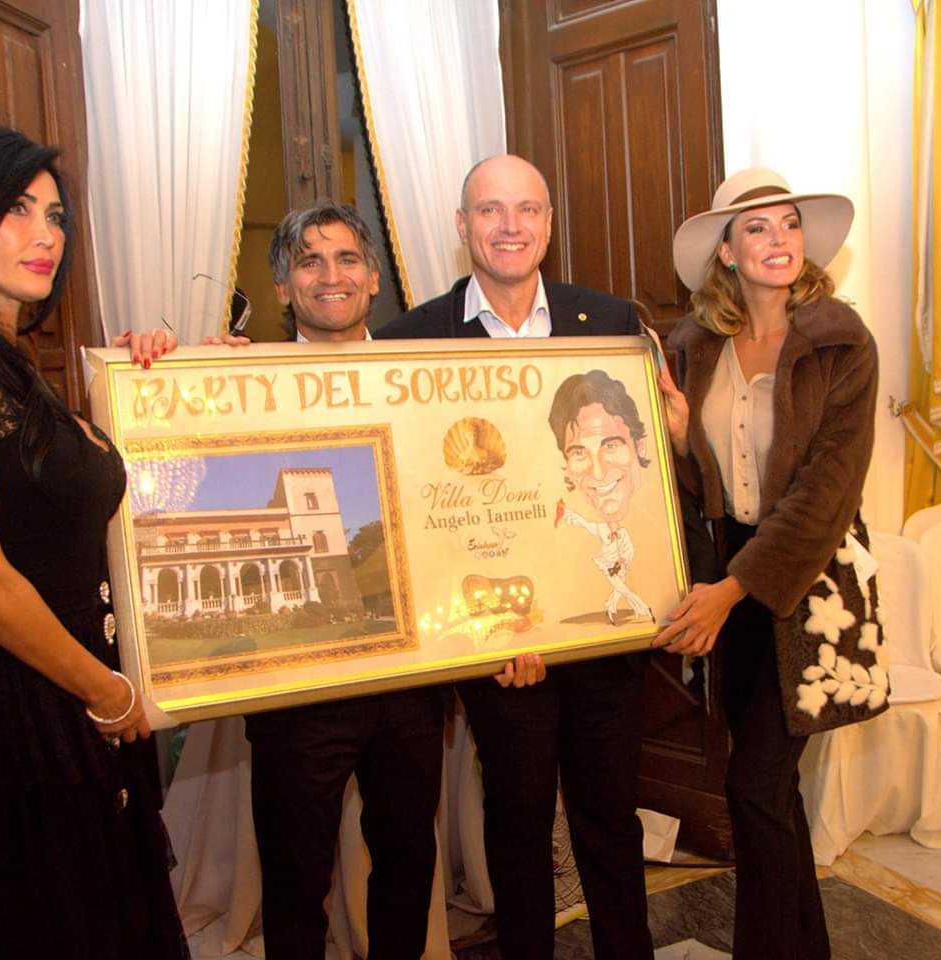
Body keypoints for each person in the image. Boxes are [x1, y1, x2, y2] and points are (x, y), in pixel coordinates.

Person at [0, 127, 188, 959]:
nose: (45, 233)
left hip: (74, 694)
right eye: (16, 209)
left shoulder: (10, 362)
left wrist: (160, 382)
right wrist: (108, 693)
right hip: (18, 711)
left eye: (54, 216)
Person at [378, 154, 654, 960]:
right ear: (461, 226)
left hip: (601, 627)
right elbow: (412, 502)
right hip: (502, 647)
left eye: (527, 209)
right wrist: (484, 635)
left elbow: (640, 472)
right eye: (490, 210)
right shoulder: (409, 339)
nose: (509, 226)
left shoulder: (610, 322)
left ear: (548, 224)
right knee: (519, 824)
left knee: (610, 820)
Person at [655, 167, 885, 959]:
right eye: (756, 227)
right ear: (726, 251)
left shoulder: (841, 342)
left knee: (752, 788)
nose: (778, 238)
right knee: (771, 793)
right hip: (732, 583)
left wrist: (731, 590)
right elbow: (700, 489)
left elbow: (826, 491)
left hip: (809, 586)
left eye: (788, 224)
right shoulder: (693, 348)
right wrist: (680, 438)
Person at [207, 202, 447, 960]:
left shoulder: (427, 379)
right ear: (282, 287)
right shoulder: (241, 384)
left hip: (411, 678)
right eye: (308, 261)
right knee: (295, 879)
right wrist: (166, 367)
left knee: (407, 859)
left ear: (373, 278)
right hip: (297, 691)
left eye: (346, 258)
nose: (329, 275)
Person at [550, 370, 655, 624]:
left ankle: (630, 606)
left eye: (610, 445)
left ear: (639, 446)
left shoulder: (666, 530)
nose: (598, 473)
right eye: (578, 452)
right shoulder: (562, 556)